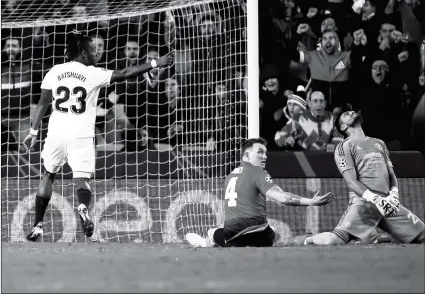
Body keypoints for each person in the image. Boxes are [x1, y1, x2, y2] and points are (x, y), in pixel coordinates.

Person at [23, 30, 173, 241]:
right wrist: (155, 63)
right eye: (93, 51)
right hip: (81, 134)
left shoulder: (54, 71)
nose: (97, 54)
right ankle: (83, 207)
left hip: (56, 131)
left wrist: (33, 132)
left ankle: (38, 225)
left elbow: (42, 103)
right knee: (82, 180)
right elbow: (125, 73)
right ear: (83, 53)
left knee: (48, 174)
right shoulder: (92, 73)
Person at [286, 109, 425, 246]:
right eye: (346, 114)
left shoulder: (379, 143)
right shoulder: (344, 147)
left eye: (352, 111)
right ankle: (305, 240)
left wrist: (393, 195)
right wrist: (376, 199)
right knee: (333, 241)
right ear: (343, 126)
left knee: (423, 236)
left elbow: (391, 175)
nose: (351, 112)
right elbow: (351, 182)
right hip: (364, 204)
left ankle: (375, 236)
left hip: (388, 204)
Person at [185, 137, 335, 248]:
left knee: (214, 232)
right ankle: (310, 239)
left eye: (265, 153)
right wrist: (311, 201)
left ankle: (206, 242)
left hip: (233, 238)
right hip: (259, 236)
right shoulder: (257, 171)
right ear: (246, 155)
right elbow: (282, 197)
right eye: (260, 152)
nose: (265, 156)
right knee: (273, 233)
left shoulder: (230, 175)